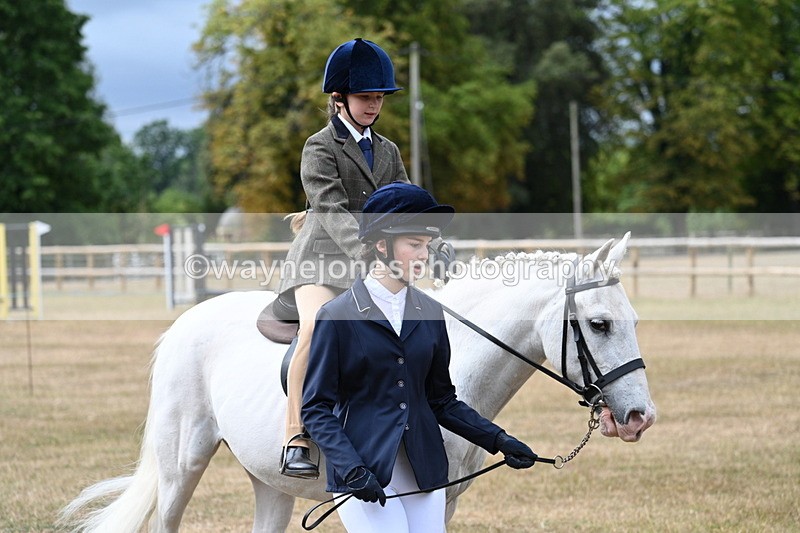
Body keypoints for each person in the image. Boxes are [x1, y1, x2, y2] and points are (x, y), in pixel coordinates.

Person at [302, 182, 538, 532]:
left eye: (426, 245)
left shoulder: (430, 312)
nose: (425, 255)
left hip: (423, 467)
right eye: (415, 245)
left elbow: (441, 400)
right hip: (364, 470)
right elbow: (316, 408)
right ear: (381, 245)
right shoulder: (337, 316)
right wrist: (351, 468)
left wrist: (499, 440)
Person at [278, 38, 409, 479]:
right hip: (319, 261)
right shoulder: (319, 147)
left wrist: (431, 239)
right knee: (318, 328)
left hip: (371, 262)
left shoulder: (388, 150)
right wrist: (371, 257)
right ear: (339, 99)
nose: (374, 105)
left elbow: (403, 203)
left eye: (379, 98)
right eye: (365, 97)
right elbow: (331, 210)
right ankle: (296, 435)